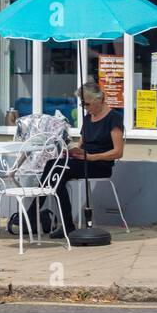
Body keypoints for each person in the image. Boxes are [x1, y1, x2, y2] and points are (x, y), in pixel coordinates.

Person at [48, 78, 124, 237]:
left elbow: (118, 152)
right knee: (52, 168)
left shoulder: (113, 118)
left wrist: (91, 157)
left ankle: (31, 216)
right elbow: (81, 145)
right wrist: (72, 151)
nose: (85, 108)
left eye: (87, 104)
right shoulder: (87, 119)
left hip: (99, 164)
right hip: (84, 160)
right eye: (83, 104)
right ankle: (66, 223)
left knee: (55, 170)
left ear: (100, 99)